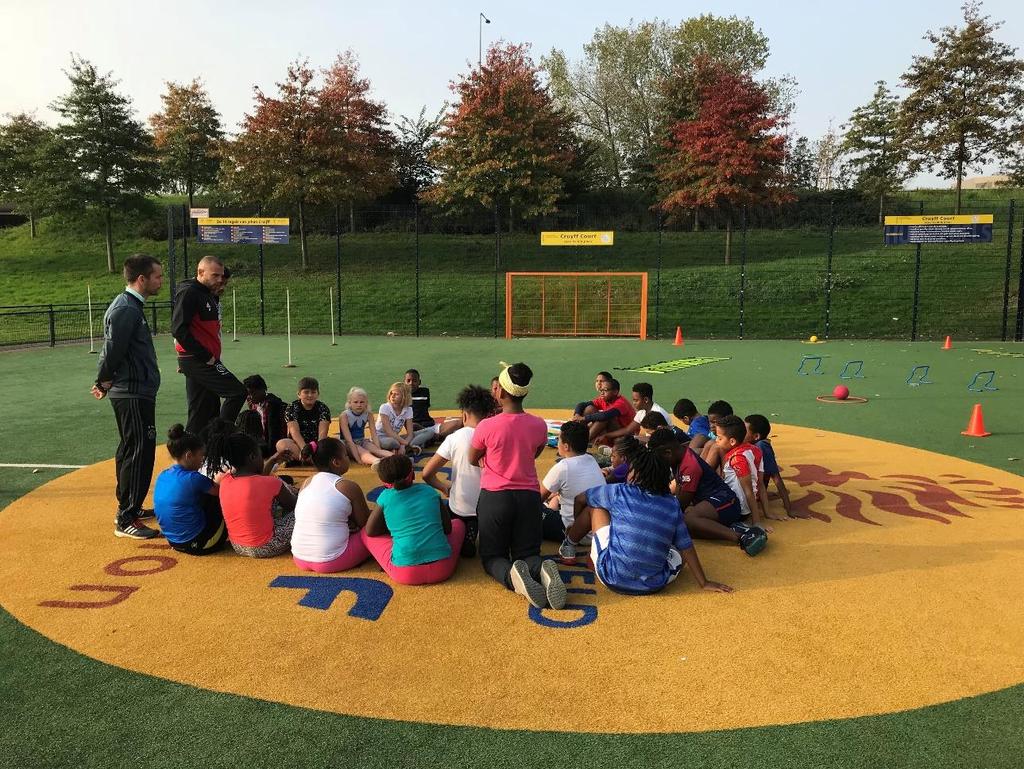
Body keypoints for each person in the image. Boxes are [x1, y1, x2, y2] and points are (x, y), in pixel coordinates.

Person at [559, 436, 733, 595]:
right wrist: (704, 583)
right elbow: (686, 545)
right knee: (679, 550)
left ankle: (569, 544)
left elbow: (580, 499)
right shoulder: (672, 504)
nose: (628, 474)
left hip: (610, 576)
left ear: (636, 474)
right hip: (653, 585)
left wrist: (574, 526)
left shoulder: (620, 491)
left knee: (594, 509)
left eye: (630, 471)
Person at [469, 363, 565, 609]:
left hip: (495, 496)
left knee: (492, 556)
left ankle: (513, 578)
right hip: (529, 497)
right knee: (529, 553)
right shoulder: (538, 425)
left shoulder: (487, 426)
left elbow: (472, 458)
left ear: (500, 392)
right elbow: (535, 452)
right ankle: (541, 566)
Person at [92, 254, 164, 539]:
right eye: (157, 276)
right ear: (142, 279)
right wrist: (102, 379)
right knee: (138, 450)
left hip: (136, 390)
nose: (160, 281)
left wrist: (105, 380)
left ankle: (129, 505)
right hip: (132, 392)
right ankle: (126, 517)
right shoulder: (126, 308)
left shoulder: (132, 306)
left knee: (131, 448)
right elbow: (112, 350)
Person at [647, 428, 767, 556]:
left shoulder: (690, 467)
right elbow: (679, 491)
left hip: (727, 503)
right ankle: (727, 528)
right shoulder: (679, 456)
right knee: (683, 528)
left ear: (668, 453)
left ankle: (741, 537)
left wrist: (657, 520)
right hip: (711, 503)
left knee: (688, 520)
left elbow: (681, 505)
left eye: (660, 459)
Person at [171, 255, 247, 435]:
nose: (220, 280)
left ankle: (189, 449)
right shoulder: (189, 292)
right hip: (201, 360)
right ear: (200, 272)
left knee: (202, 410)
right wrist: (203, 357)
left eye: (222, 277)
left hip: (198, 360)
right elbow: (179, 330)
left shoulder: (207, 294)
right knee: (237, 392)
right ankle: (218, 438)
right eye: (215, 276)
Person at [362, 455, 465, 585]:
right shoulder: (429, 491)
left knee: (364, 534)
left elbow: (370, 531)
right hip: (443, 569)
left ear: (384, 482)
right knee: (458, 524)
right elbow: (447, 529)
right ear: (413, 475)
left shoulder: (385, 497)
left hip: (406, 573)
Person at [421, 384, 496, 557]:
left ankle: (460, 532)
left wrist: (444, 488)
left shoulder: (455, 438)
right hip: (491, 507)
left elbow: (427, 474)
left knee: (445, 516)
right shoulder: (495, 436)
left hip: (460, 506)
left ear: (464, 414)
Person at [291, 438, 373, 573]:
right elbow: (364, 523)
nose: (348, 458)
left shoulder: (306, 483)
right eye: (346, 455)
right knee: (374, 529)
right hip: (332, 560)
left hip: (299, 557)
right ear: (336, 462)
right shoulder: (348, 486)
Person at [219, 433, 298, 558]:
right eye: (261, 456)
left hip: (238, 546)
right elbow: (295, 506)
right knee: (306, 510)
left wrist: (272, 460)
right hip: (266, 546)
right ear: (252, 457)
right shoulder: (270, 483)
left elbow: (256, 481)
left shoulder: (225, 480)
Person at [152, 424, 227, 555]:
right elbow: (222, 492)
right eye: (201, 456)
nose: (202, 461)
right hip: (199, 544)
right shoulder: (193, 478)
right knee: (227, 495)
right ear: (189, 455)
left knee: (200, 494)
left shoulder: (163, 475)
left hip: (173, 541)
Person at [539, 421, 605, 543]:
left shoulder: (563, 467)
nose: (557, 442)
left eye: (559, 439)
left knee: (527, 509)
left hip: (573, 532)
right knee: (556, 498)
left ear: (566, 446)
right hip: (598, 530)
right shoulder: (591, 459)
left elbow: (537, 499)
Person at [716, 415, 784, 527]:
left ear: (732, 441)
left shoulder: (737, 459)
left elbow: (748, 490)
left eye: (719, 438)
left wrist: (756, 521)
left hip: (735, 509)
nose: (716, 441)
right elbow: (760, 484)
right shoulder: (756, 450)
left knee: (693, 517)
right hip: (742, 509)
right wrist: (767, 513)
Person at [745, 414, 801, 518]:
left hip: (753, 492)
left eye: (745, 431)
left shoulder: (762, 447)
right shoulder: (750, 444)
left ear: (756, 436)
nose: (741, 432)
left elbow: (776, 478)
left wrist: (789, 509)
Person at [339, 387, 393, 466]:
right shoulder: (344, 416)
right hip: (348, 444)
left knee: (376, 450)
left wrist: (378, 449)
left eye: (362, 402)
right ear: (349, 403)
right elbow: (349, 441)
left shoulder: (368, 414)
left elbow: (374, 434)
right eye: (355, 402)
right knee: (364, 452)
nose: (359, 405)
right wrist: (358, 459)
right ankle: (378, 462)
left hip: (361, 441)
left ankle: (398, 458)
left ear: (366, 403)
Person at [572, 377, 635, 445]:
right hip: (611, 431)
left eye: (605, 390)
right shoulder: (603, 399)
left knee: (605, 417)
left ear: (615, 392)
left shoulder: (621, 403)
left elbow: (605, 416)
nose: (602, 393)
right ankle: (575, 436)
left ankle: (581, 443)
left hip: (625, 437)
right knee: (589, 408)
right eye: (601, 390)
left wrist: (583, 418)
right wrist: (577, 414)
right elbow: (582, 404)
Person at [376, 382, 435, 454]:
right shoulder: (385, 407)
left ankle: (405, 448)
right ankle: (409, 448)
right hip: (382, 437)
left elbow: (410, 434)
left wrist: (403, 445)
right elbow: (389, 432)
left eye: (396, 394)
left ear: (404, 396)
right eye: (391, 393)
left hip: (397, 438)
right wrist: (404, 443)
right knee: (391, 443)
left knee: (430, 431)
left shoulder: (408, 410)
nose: (392, 396)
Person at [602, 382, 672, 442]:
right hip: (650, 442)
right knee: (624, 440)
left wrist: (635, 439)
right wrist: (606, 435)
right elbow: (628, 430)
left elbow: (660, 440)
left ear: (646, 400)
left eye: (636, 400)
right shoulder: (641, 412)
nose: (633, 403)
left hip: (661, 445)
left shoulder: (659, 413)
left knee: (628, 442)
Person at [404, 369, 462, 442]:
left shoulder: (425, 392)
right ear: (404, 382)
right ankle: (435, 437)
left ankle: (436, 437)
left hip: (431, 426)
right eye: (408, 381)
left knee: (459, 422)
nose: (411, 383)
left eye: (414, 381)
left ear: (419, 382)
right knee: (413, 426)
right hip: (417, 429)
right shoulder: (402, 397)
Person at [284, 377, 331, 457]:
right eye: (306, 392)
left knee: (337, 443)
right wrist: (305, 449)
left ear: (318, 394)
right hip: (298, 445)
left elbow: (322, 434)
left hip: (317, 445)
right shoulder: (291, 408)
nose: (310, 395)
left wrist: (317, 449)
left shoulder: (323, 408)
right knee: (282, 444)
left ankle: (306, 459)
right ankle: (311, 459)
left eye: (313, 392)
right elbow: (294, 432)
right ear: (299, 394)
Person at [243, 374, 288, 451]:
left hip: (273, 446)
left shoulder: (273, 405)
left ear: (263, 389)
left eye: (253, 393)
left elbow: (273, 433)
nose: (249, 397)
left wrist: (270, 454)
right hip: (262, 443)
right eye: (248, 394)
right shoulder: (255, 404)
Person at [700, 399, 736, 470]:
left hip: (727, 472)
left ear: (728, 419)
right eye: (710, 422)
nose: (711, 425)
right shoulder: (713, 435)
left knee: (713, 445)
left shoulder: (734, 436)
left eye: (715, 422)